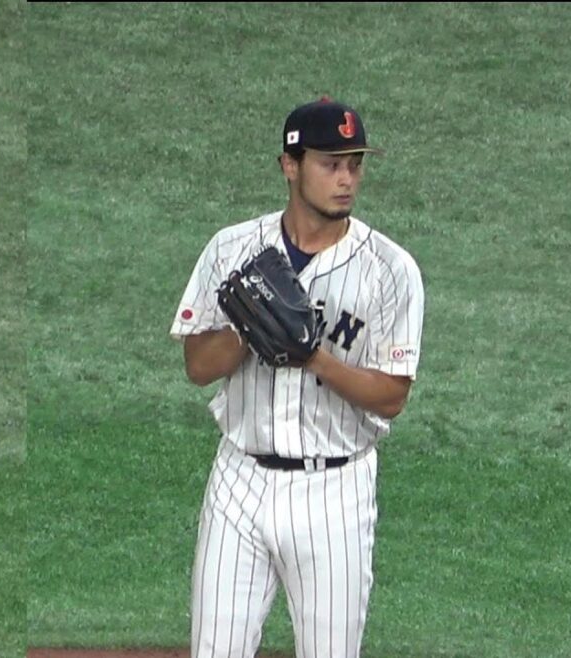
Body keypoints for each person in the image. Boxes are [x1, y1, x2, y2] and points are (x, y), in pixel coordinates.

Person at [169, 97, 425, 658]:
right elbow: (197, 367)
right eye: (331, 164)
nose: (346, 179)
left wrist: (313, 357)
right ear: (290, 165)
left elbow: (392, 396)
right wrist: (250, 329)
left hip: (334, 492)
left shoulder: (391, 270)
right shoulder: (231, 248)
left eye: (355, 164)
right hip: (239, 482)